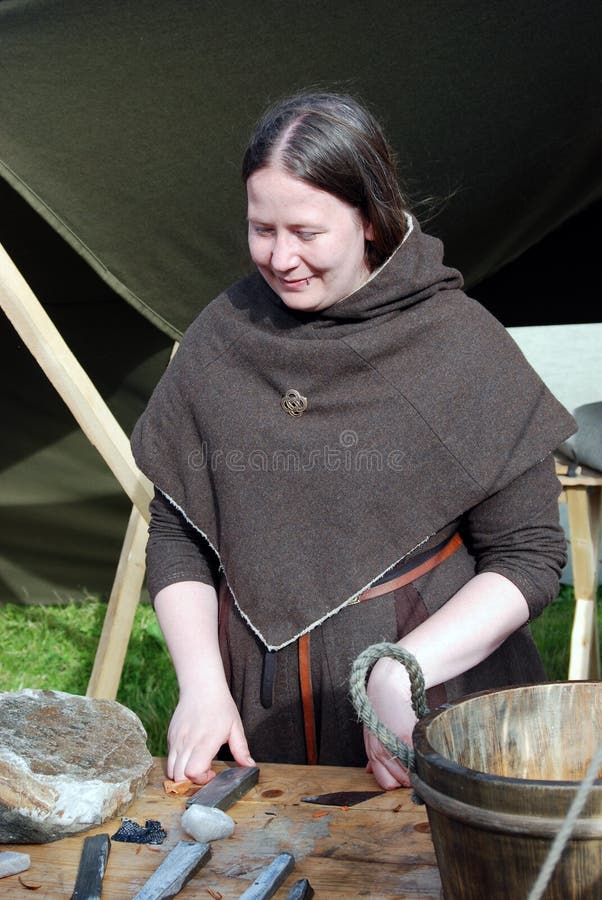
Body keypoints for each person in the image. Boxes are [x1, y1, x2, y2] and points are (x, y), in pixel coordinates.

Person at [131, 91, 576, 791]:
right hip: (255, 717)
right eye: (261, 229)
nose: (280, 257)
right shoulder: (224, 336)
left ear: (369, 219)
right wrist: (200, 686)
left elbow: (529, 555)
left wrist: (400, 673)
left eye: (306, 232)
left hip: (431, 705)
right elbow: (178, 531)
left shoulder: (460, 345)